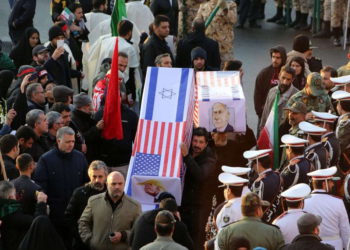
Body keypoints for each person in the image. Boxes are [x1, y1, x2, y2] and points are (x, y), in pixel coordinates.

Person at [33, 126, 89, 243]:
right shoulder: (46, 159)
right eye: (67, 142)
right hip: (56, 214)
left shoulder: (80, 157)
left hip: (76, 214)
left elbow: (86, 183)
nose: (71, 144)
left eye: (73, 141)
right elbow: (40, 186)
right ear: (58, 141)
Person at [79, 171, 141, 249]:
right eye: (113, 184)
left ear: (124, 184)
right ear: (107, 184)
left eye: (120, 183)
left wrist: (123, 235)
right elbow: (83, 222)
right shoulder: (93, 201)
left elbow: (139, 231)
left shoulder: (135, 206)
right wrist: (90, 240)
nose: (117, 187)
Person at [180, 127, 217, 248]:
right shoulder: (187, 152)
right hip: (184, 204)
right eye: (195, 141)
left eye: (201, 142)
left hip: (199, 208)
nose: (197, 145)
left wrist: (186, 157)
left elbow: (200, 175)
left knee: (196, 239)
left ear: (206, 143)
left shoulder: (210, 158)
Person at [65, 160, 108, 250]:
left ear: (106, 177)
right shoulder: (80, 193)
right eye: (94, 177)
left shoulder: (111, 194)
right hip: (82, 243)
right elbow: (69, 217)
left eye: (100, 177)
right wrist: (81, 236)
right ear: (89, 176)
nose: (97, 180)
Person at [218, 192, 284, 250]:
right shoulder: (274, 232)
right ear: (258, 211)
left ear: (242, 209)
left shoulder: (225, 232)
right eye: (261, 207)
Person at [304, 167, 350, 249]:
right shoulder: (338, 202)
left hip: (312, 246)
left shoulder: (304, 202)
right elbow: (345, 230)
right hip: (335, 246)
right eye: (331, 181)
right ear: (324, 184)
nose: (333, 184)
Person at [0, 181, 47, 250]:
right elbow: (37, 222)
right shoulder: (12, 215)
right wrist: (41, 203)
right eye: (15, 194)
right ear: (11, 197)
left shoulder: (3, 210)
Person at [259, 66, 298, 132]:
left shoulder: (296, 96)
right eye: (283, 78)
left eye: (288, 79)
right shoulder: (272, 91)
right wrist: (262, 129)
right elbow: (265, 113)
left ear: (292, 79)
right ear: (279, 75)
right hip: (269, 132)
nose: (284, 82)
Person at [254, 45, 287, 122]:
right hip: (265, 115)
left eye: (278, 58)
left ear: (283, 58)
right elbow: (257, 95)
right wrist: (261, 114)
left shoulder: (289, 74)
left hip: (282, 116)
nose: (274, 60)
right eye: (273, 57)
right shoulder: (264, 74)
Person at [72, 93, 104, 162]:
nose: (91, 108)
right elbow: (82, 137)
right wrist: (96, 128)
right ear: (82, 107)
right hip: (86, 157)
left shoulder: (87, 116)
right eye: (89, 105)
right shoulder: (74, 120)